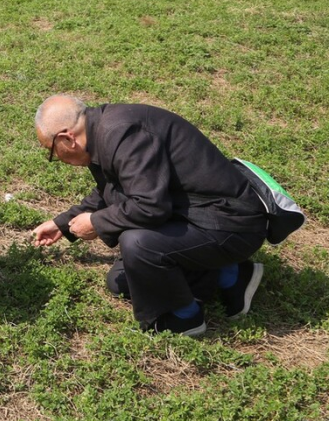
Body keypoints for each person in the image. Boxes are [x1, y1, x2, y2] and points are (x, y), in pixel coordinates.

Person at [31, 95, 269, 337]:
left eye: (52, 152)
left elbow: (150, 206)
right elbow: (112, 189)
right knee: (120, 281)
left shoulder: (121, 134)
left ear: (66, 139)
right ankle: (232, 275)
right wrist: (63, 224)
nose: (57, 159)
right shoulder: (101, 131)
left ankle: (186, 318)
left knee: (137, 244)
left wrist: (95, 222)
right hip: (201, 216)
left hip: (232, 224)